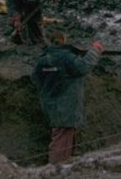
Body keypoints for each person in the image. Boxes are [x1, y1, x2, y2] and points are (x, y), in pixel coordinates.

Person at [33, 33, 104, 164]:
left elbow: (36, 79)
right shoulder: (66, 57)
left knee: (64, 134)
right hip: (66, 107)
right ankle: (55, 171)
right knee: (61, 139)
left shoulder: (43, 59)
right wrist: (95, 50)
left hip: (50, 104)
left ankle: (66, 166)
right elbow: (84, 66)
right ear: (64, 40)